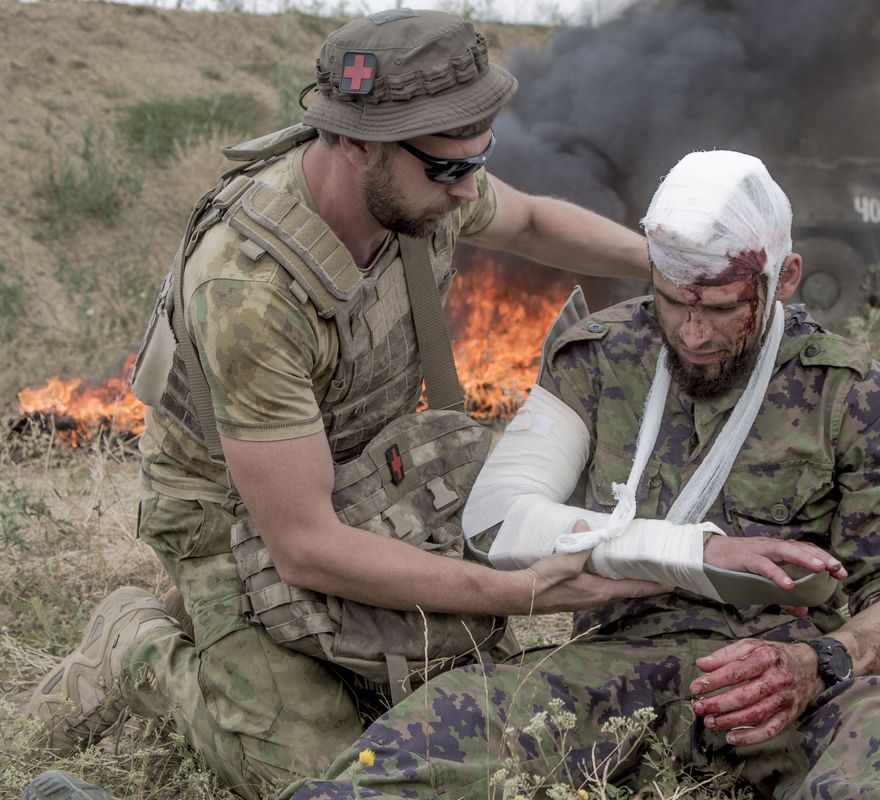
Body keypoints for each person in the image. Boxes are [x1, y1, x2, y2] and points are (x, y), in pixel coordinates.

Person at [23, 10, 661, 800]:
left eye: (477, 162)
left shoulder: (427, 174)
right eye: (445, 171)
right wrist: (517, 594)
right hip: (232, 518)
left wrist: (661, 260)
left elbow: (528, 220)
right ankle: (139, 642)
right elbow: (305, 545)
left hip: (368, 480)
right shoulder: (249, 288)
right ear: (355, 140)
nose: (466, 191)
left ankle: (244, 636)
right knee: (316, 774)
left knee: (447, 734)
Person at [270, 150, 880, 797]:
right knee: (436, 728)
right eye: (674, 301)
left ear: (783, 278)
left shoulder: (851, 392)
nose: (693, 333)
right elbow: (500, 519)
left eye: (721, 307)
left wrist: (826, 662)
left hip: (788, 681)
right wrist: (692, 552)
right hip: (613, 674)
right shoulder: (601, 358)